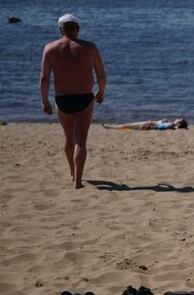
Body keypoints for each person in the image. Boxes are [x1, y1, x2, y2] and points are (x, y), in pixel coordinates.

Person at [40, 14, 106, 189]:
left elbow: (44, 78)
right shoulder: (90, 48)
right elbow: (101, 74)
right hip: (84, 98)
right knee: (80, 141)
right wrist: (101, 91)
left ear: (60, 29)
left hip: (62, 99)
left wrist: (44, 101)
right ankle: (78, 180)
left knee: (69, 138)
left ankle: (71, 172)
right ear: (77, 28)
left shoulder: (50, 48)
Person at [103, 118, 188, 130]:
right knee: (128, 125)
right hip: (148, 124)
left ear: (179, 123)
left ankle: (110, 127)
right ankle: (111, 126)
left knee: (127, 125)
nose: (176, 118)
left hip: (147, 124)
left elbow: (160, 126)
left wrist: (151, 123)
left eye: (178, 119)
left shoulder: (171, 125)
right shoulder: (171, 124)